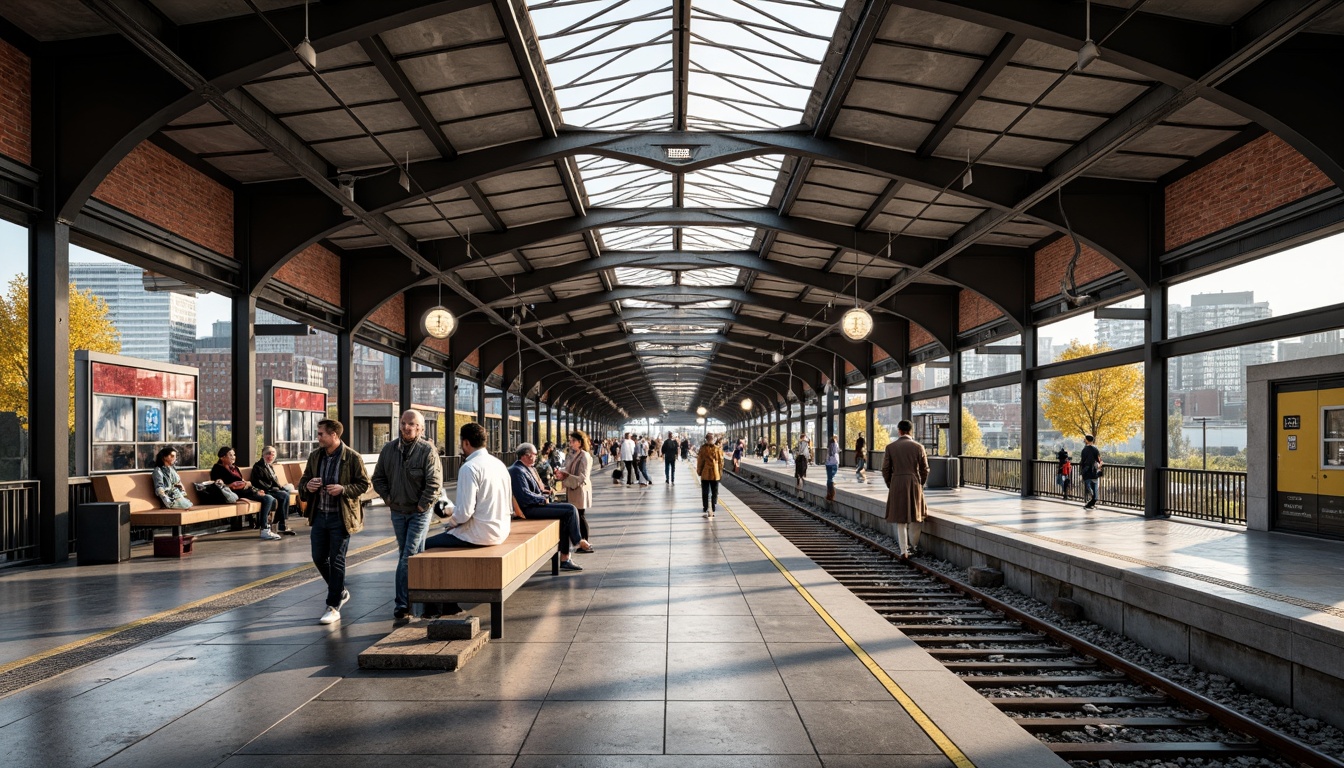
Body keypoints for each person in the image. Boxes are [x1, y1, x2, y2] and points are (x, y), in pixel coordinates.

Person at [422, 422, 512, 617]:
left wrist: (450, 524)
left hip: (479, 534)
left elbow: (464, 513)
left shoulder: (469, 468)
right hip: (501, 531)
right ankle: (449, 605)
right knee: (444, 542)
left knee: (425, 546)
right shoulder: (499, 464)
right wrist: (453, 513)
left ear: (465, 443)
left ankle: (435, 609)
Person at [372, 409, 444, 622]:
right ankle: (419, 601)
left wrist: (422, 506)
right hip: (398, 510)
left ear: (420, 428)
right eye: (403, 423)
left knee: (408, 556)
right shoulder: (389, 450)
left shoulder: (427, 450)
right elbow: (378, 478)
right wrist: (388, 499)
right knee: (410, 554)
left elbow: (434, 483)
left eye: (411, 424)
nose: (406, 427)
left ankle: (402, 604)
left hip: (419, 512)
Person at [300, 419, 371, 625]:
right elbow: (303, 481)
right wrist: (309, 486)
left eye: (321, 434)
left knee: (337, 558)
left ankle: (333, 605)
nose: (318, 437)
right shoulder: (315, 456)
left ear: (334, 435)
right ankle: (340, 591)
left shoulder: (352, 457)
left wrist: (343, 489)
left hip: (341, 517)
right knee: (318, 557)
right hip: (320, 515)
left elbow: (364, 484)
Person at [510, 442, 588, 571]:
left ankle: (565, 558)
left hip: (535, 505)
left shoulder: (527, 468)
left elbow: (533, 490)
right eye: (535, 454)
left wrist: (546, 491)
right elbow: (524, 496)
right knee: (570, 510)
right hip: (528, 509)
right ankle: (577, 542)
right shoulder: (517, 470)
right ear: (527, 455)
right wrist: (543, 498)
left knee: (568, 513)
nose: (536, 457)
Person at [882, 420, 930, 558]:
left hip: (897, 482)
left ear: (899, 431)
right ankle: (913, 547)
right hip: (914, 482)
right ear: (911, 431)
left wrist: (890, 483)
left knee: (900, 518)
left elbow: (885, 469)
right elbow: (925, 469)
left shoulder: (890, 447)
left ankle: (903, 550)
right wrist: (920, 483)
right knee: (917, 516)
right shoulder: (918, 447)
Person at [212, 446, 280, 540]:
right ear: (222, 457)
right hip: (234, 494)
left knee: (271, 499)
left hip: (245, 490)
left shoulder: (235, 468)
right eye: (230, 455)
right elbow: (218, 486)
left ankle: (266, 526)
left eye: (234, 455)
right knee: (268, 498)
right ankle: (264, 529)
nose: (233, 457)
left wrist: (254, 488)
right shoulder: (217, 469)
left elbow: (244, 482)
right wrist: (231, 485)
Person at [555, 430, 596, 551]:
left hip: (580, 489)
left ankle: (585, 543)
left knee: (580, 515)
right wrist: (562, 473)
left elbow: (582, 476)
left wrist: (566, 476)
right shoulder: (574, 454)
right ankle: (581, 543)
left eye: (573, 441)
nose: (570, 443)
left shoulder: (584, 456)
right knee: (578, 515)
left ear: (580, 442)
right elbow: (570, 469)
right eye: (570, 441)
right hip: (573, 489)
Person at [251, 445, 297, 536]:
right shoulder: (258, 467)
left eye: (273, 454)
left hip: (271, 490)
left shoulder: (269, 466)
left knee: (285, 493)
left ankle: (280, 524)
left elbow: (275, 482)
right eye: (268, 454)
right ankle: (279, 524)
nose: (271, 456)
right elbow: (258, 482)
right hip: (264, 490)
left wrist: (280, 488)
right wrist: (273, 488)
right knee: (284, 495)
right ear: (263, 455)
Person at [697, 434, 724, 519]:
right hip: (715, 473)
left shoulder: (703, 448)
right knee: (714, 491)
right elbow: (721, 461)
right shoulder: (717, 448)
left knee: (705, 492)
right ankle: (713, 505)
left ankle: (705, 507)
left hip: (705, 472)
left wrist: (699, 471)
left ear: (706, 439)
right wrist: (720, 472)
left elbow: (700, 461)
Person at [1080, 435, 1103, 509]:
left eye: (1085, 439)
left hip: (1086, 471)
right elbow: (1099, 460)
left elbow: (1082, 461)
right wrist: (1100, 466)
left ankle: (1091, 502)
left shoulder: (1084, 450)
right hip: (1094, 471)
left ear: (1086, 440)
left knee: (1088, 487)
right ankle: (1093, 501)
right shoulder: (1095, 449)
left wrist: (1081, 471)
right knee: (1095, 487)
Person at [825, 433, 840, 501]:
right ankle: (831, 487)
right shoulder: (835, 444)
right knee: (832, 475)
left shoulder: (828, 446)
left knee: (829, 477)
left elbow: (828, 454)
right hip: (834, 463)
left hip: (828, 463)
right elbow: (836, 452)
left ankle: (829, 491)